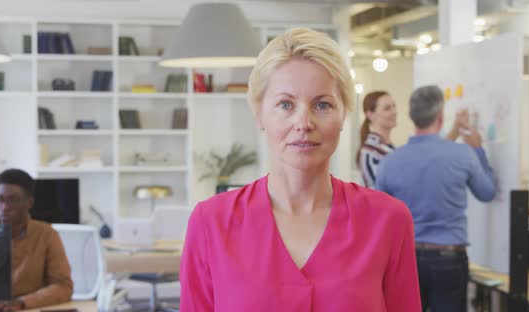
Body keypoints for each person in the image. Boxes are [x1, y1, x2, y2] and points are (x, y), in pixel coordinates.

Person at [180, 28, 421, 311]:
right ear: (259, 113)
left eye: (322, 104)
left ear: (344, 113)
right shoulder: (211, 223)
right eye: (285, 104)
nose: (304, 122)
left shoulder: (388, 221)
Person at [376, 85, 497, 312]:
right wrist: (479, 149)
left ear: (412, 117)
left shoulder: (390, 162)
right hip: (449, 258)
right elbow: (487, 192)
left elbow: (379, 214)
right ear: (440, 118)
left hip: (406, 259)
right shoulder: (463, 155)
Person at [0, 169, 73, 312]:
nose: (5, 207)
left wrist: (21, 303)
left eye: (13, 200)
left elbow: (63, 287)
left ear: (29, 203)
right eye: (0, 199)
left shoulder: (46, 235)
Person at [356, 91, 397, 188]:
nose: (394, 112)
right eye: (387, 108)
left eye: (394, 106)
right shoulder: (370, 152)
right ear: (370, 115)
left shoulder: (386, 148)